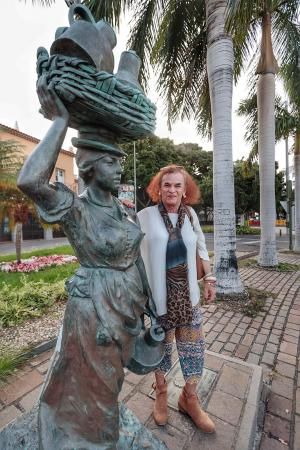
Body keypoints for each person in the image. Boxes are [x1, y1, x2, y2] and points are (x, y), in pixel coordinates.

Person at [17, 77, 157, 449]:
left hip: (126, 309)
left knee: (109, 388)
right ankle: (85, 438)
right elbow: (29, 180)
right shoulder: (76, 209)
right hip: (93, 312)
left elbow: (134, 259)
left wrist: (151, 307)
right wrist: (60, 121)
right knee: (93, 390)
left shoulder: (124, 211)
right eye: (111, 161)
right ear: (91, 167)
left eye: (120, 160)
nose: (119, 167)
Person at [137, 165, 216, 433]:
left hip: (189, 299)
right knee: (161, 349)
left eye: (177, 185)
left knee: (194, 349)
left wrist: (210, 278)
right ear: (158, 189)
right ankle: (161, 392)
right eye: (167, 185)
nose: (172, 189)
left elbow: (202, 248)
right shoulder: (144, 217)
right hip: (159, 301)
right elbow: (131, 255)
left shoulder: (191, 215)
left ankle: (189, 398)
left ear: (185, 191)